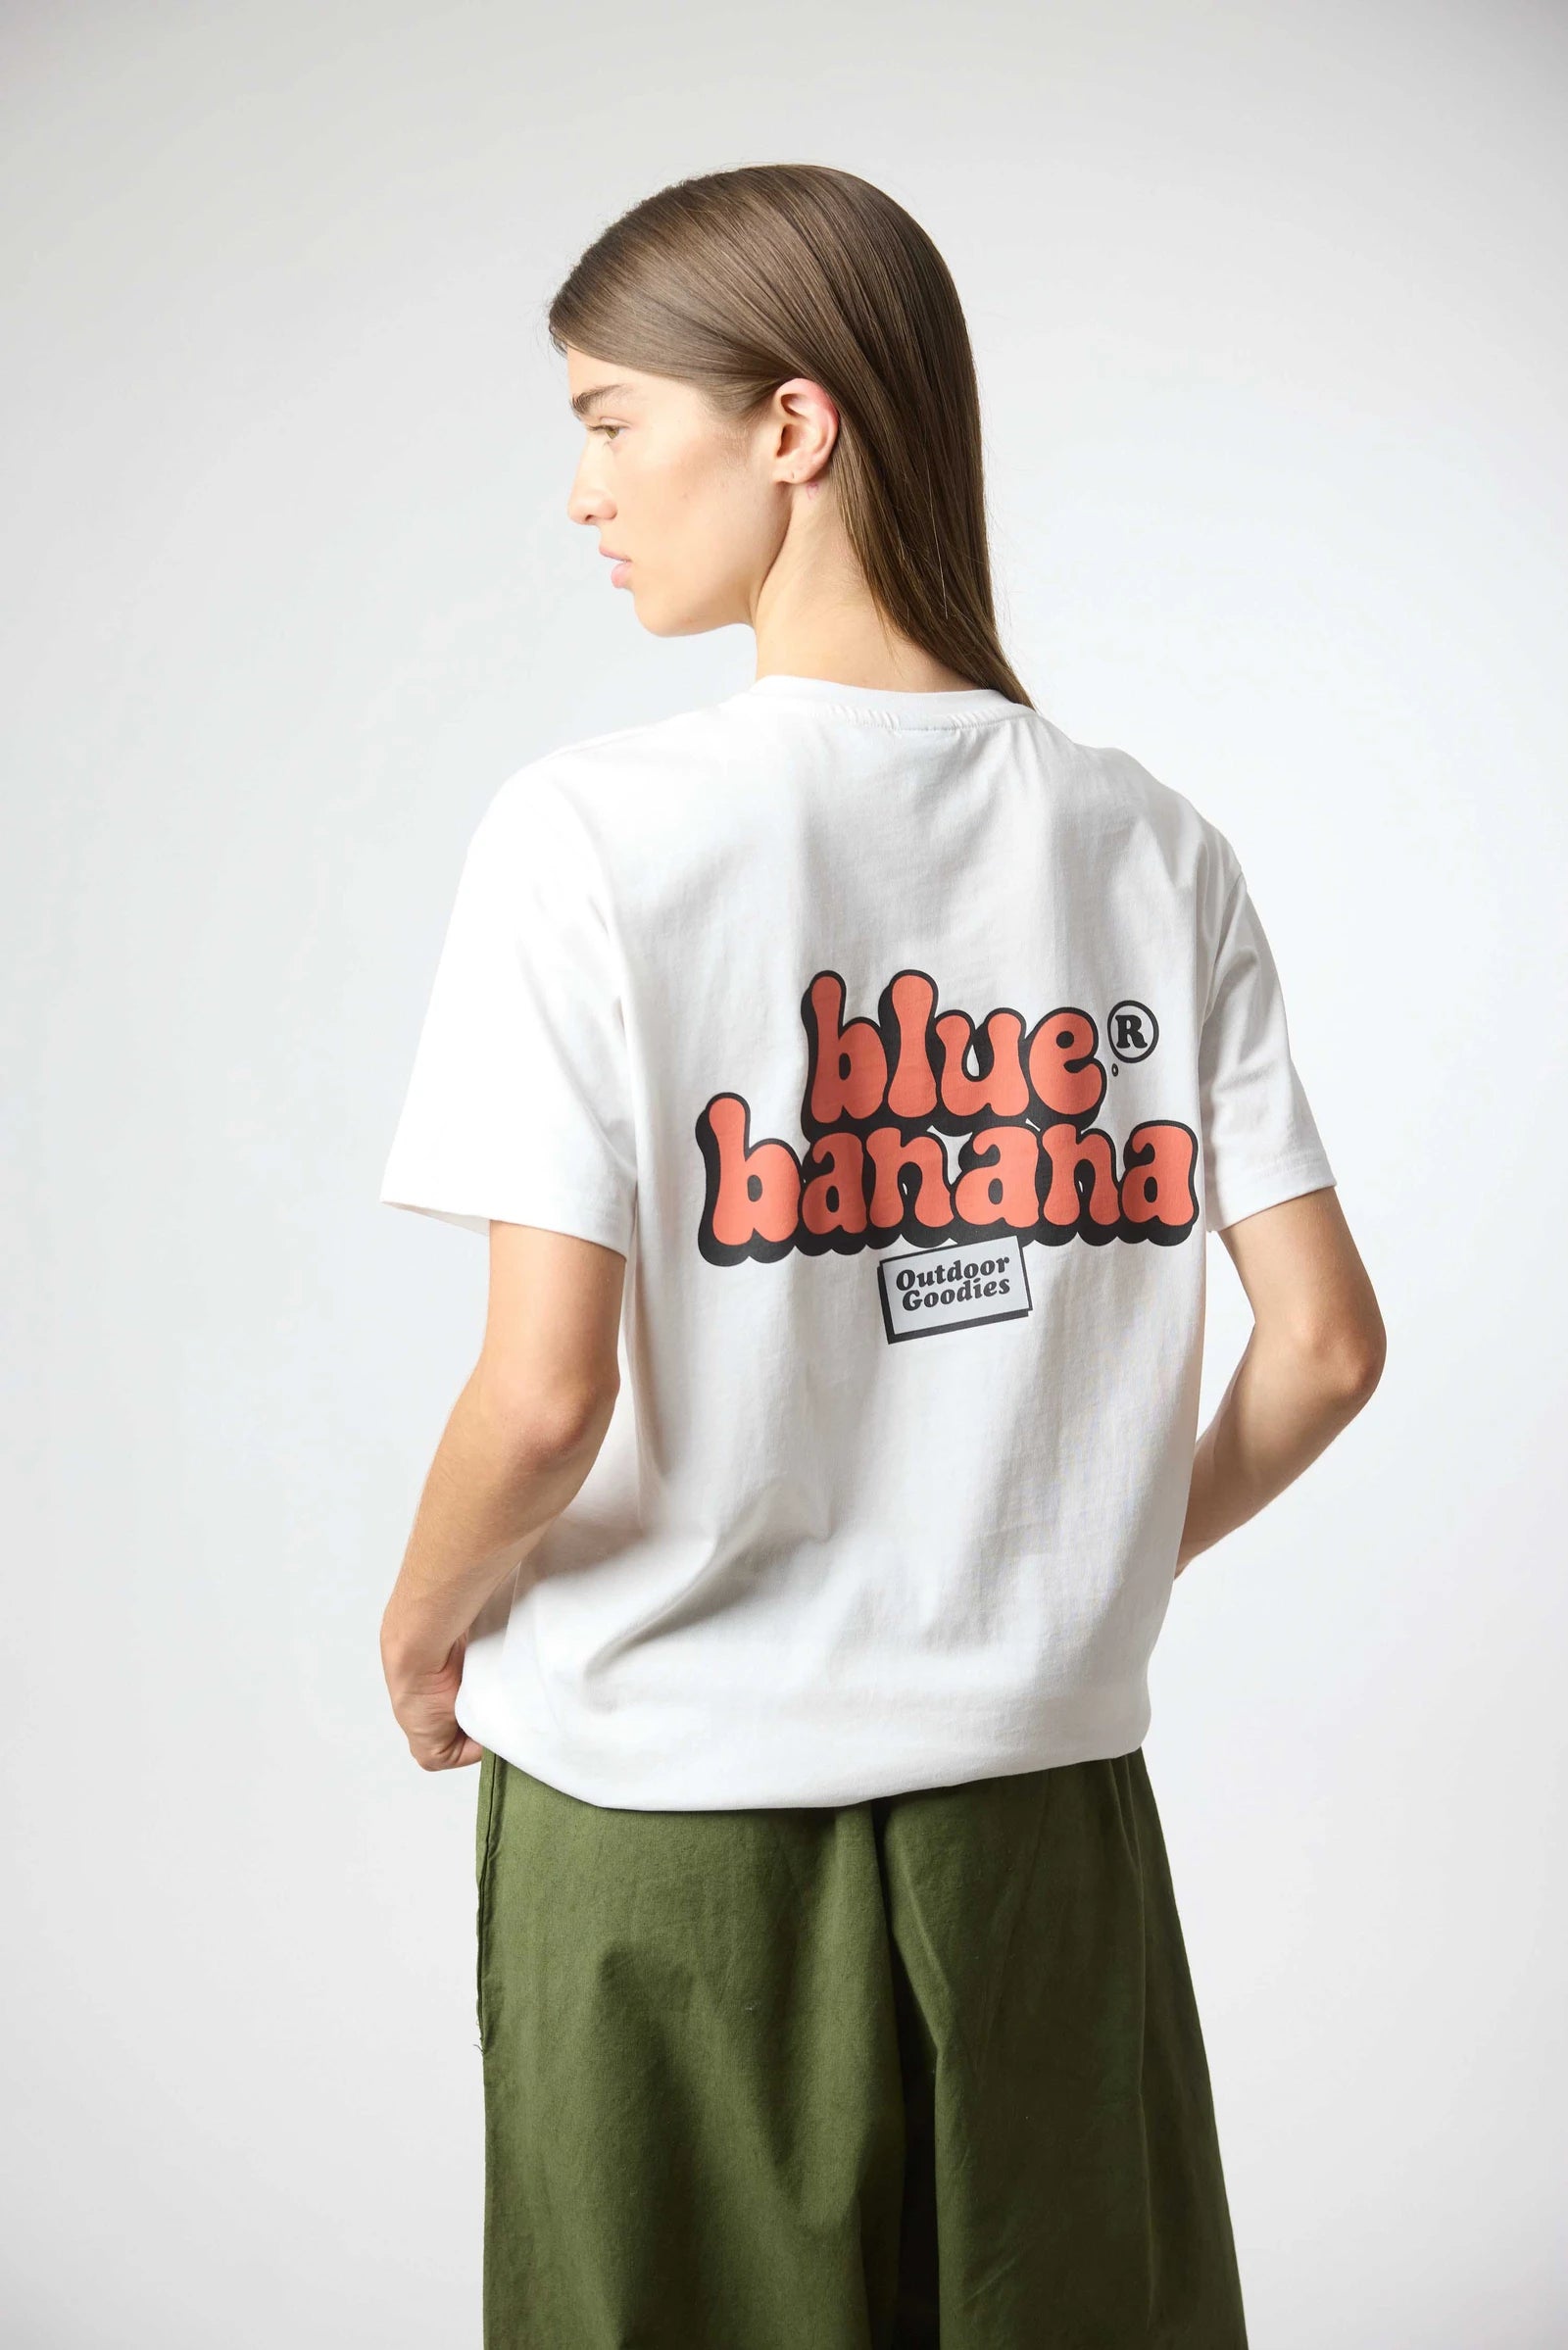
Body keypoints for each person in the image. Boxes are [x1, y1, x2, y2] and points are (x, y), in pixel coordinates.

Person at [376, 164, 1386, 2350]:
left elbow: (541, 1396)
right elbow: (1319, 1347)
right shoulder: (1150, 842)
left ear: (793, 426)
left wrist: (420, 1620)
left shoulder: (592, 835)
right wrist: (1049, 1555)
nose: (582, 491)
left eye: (610, 419)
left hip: (671, 1831)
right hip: (1044, 1839)